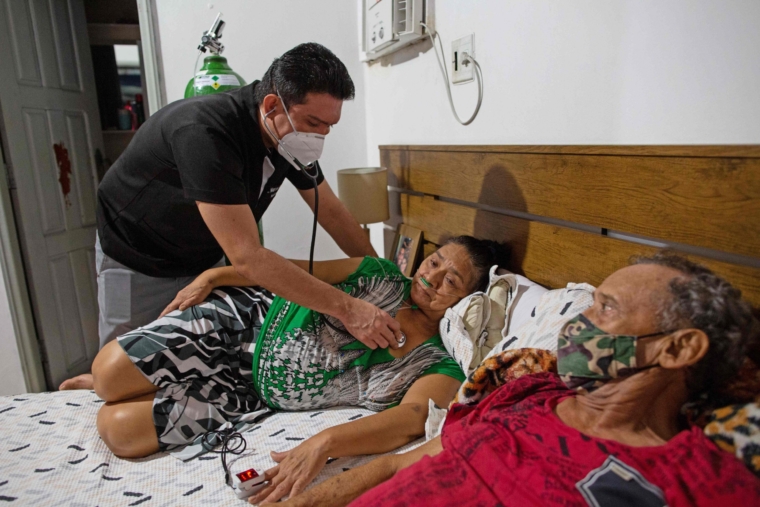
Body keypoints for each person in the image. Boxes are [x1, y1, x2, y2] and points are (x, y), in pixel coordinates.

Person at [276, 253, 760, 506]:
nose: (576, 324)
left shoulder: (699, 480)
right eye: (587, 304)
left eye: (605, 308)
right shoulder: (525, 391)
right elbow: (396, 467)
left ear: (677, 348)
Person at [60, 43, 400, 391]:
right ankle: (94, 385)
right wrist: (349, 308)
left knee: (188, 363)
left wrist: (386, 279)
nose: (319, 136)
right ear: (271, 105)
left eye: (329, 126)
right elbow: (249, 258)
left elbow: (331, 212)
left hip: (204, 257)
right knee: (119, 371)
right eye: (313, 122)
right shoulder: (203, 132)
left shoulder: (289, 138)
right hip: (138, 255)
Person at [92, 236, 511, 503]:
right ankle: (109, 381)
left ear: (467, 302)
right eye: (434, 261)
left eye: (451, 281)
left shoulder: (438, 362)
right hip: (244, 322)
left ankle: (146, 384)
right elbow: (292, 271)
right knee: (107, 373)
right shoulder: (380, 276)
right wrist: (214, 276)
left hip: (249, 394)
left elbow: (411, 420)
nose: (432, 276)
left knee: (120, 431)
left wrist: (323, 442)